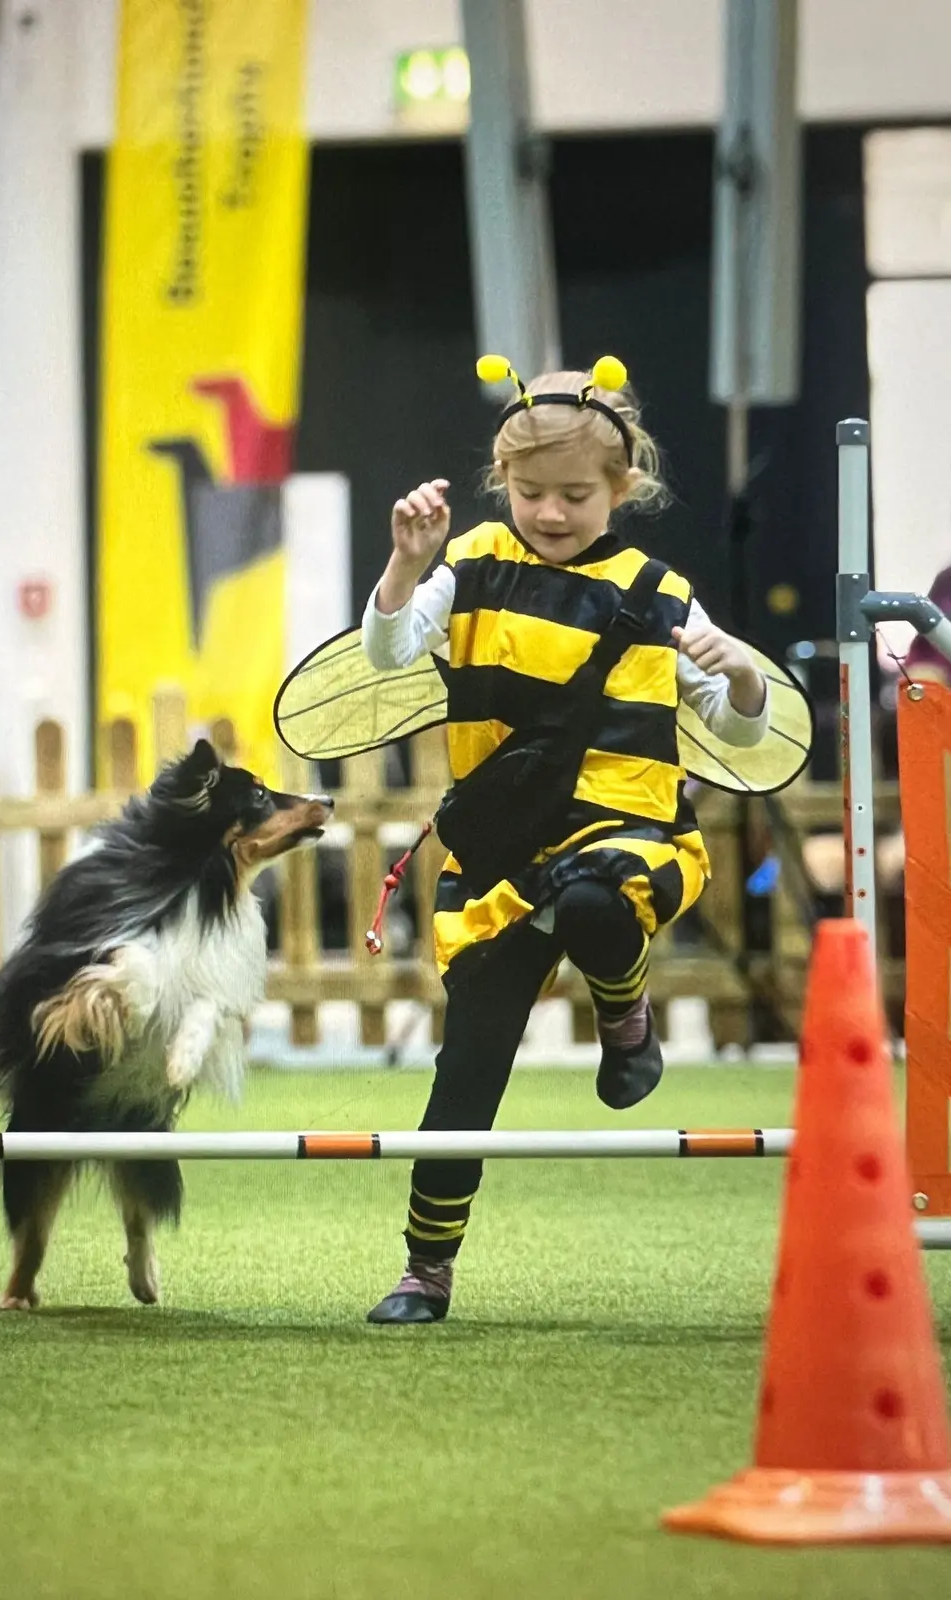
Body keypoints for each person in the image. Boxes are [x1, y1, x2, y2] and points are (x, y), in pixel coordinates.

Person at [360, 355, 770, 1324]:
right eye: (532, 491)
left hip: (630, 829)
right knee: (469, 1067)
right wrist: (407, 565)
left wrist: (743, 674)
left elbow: (742, 731)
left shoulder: (661, 591)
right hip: (502, 851)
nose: (551, 511)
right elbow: (385, 652)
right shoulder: (473, 565)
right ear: (503, 483)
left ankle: (623, 1016)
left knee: (595, 899)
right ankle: (427, 1268)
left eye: (576, 495)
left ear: (623, 488)